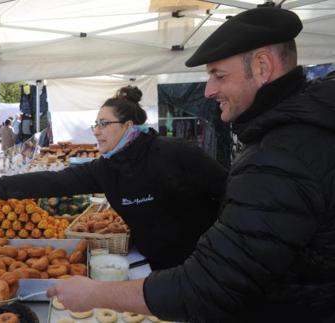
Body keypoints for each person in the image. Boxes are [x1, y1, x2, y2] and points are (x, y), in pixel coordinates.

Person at [44, 7, 335, 322]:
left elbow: (210, 285)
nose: (209, 90)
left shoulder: (280, 156)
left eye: (219, 75)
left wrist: (95, 293)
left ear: (263, 66)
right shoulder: (301, 132)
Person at [0, 85, 227, 271]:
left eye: (104, 124)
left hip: (208, 261)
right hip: (157, 265)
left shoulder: (176, 152)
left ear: (128, 127)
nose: (97, 132)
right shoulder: (105, 169)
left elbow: (229, 191)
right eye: (95, 125)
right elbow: (56, 182)